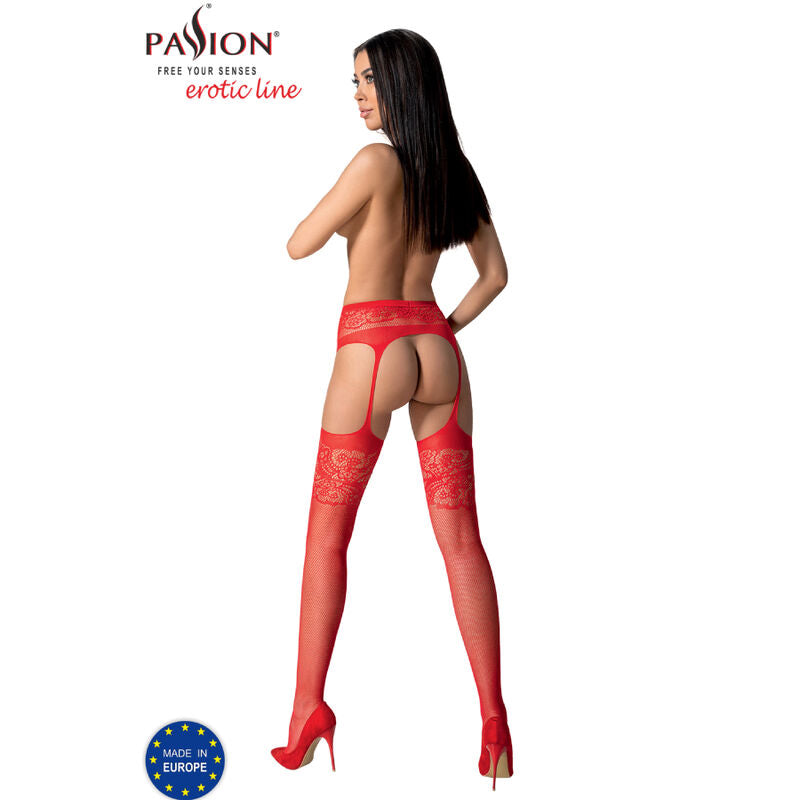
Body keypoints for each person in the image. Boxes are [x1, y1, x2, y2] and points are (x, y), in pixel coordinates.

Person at [270, 29, 513, 789]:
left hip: (370, 350)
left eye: (368, 80)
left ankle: (307, 711)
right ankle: (495, 720)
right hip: (437, 351)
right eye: (354, 82)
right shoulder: (453, 171)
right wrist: (445, 326)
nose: (358, 95)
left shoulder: (373, 164)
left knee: (327, 536)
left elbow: (297, 245)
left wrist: (354, 220)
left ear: (404, 84)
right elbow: (495, 276)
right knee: (462, 540)